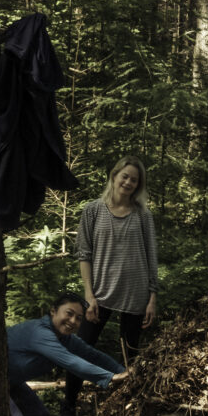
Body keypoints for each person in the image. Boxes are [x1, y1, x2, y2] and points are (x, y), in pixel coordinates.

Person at [73, 157, 158, 387]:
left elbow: (151, 256)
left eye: (134, 180)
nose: (128, 182)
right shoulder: (92, 210)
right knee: (79, 350)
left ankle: (127, 402)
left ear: (138, 185)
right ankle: (69, 404)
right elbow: (84, 255)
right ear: (114, 176)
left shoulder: (143, 215)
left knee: (131, 357)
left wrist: (152, 298)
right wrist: (89, 295)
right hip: (100, 294)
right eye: (125, 176)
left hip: (136, 294)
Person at [6, 296, 124, 416]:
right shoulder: (39, 332)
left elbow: (93, 355)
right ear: (53, 311)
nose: (73, 321)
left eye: (79, 318)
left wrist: (122, 370)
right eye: (69, 313)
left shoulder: (66, 339)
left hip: (13, 382)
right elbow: (71, 361)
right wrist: (110, 377)